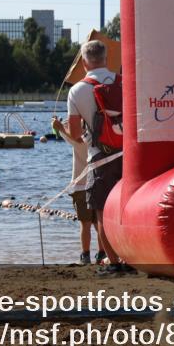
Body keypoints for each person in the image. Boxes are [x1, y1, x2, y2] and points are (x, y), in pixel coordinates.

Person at [56, 40, 126, 275]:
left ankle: (114, 262)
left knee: (101, 212)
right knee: (127, 208)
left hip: (99, 158)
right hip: (128, 156)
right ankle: (130, 256)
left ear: (84, 62)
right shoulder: (123, 81)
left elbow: (75, 135)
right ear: (106, 59)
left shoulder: (76, 90)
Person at [50, 120, 103, 265]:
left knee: (85, 224)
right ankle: (101, 253)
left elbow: (71, 136)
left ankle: (85, 255)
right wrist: (62, 128)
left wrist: (60, 127)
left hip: (80, 187)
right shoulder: (97, 141)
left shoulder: (77, 140)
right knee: (99, 224)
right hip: (97, 184)